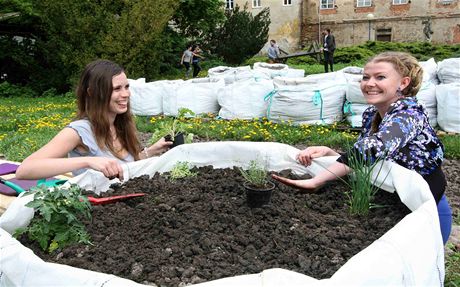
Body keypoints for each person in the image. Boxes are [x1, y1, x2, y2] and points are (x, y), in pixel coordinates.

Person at [272, 51, 452, 244]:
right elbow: (362, 158)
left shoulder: (409, 113)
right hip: (390, 203)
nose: (369, 83)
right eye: (365, 77)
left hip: (426, 209)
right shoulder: (371, 115)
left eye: (380, 77)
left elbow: (373, 149)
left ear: (403, 83)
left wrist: (317, 180)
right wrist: (328, 152)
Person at [16, 60, 172, 181]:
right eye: (117, 89)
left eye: (126, 87)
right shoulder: (79, 131)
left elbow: (125, 168)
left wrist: (150, 151)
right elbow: (25, 169)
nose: (126, 94)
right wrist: (88, 161)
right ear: (92, 92)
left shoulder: (120, 125)